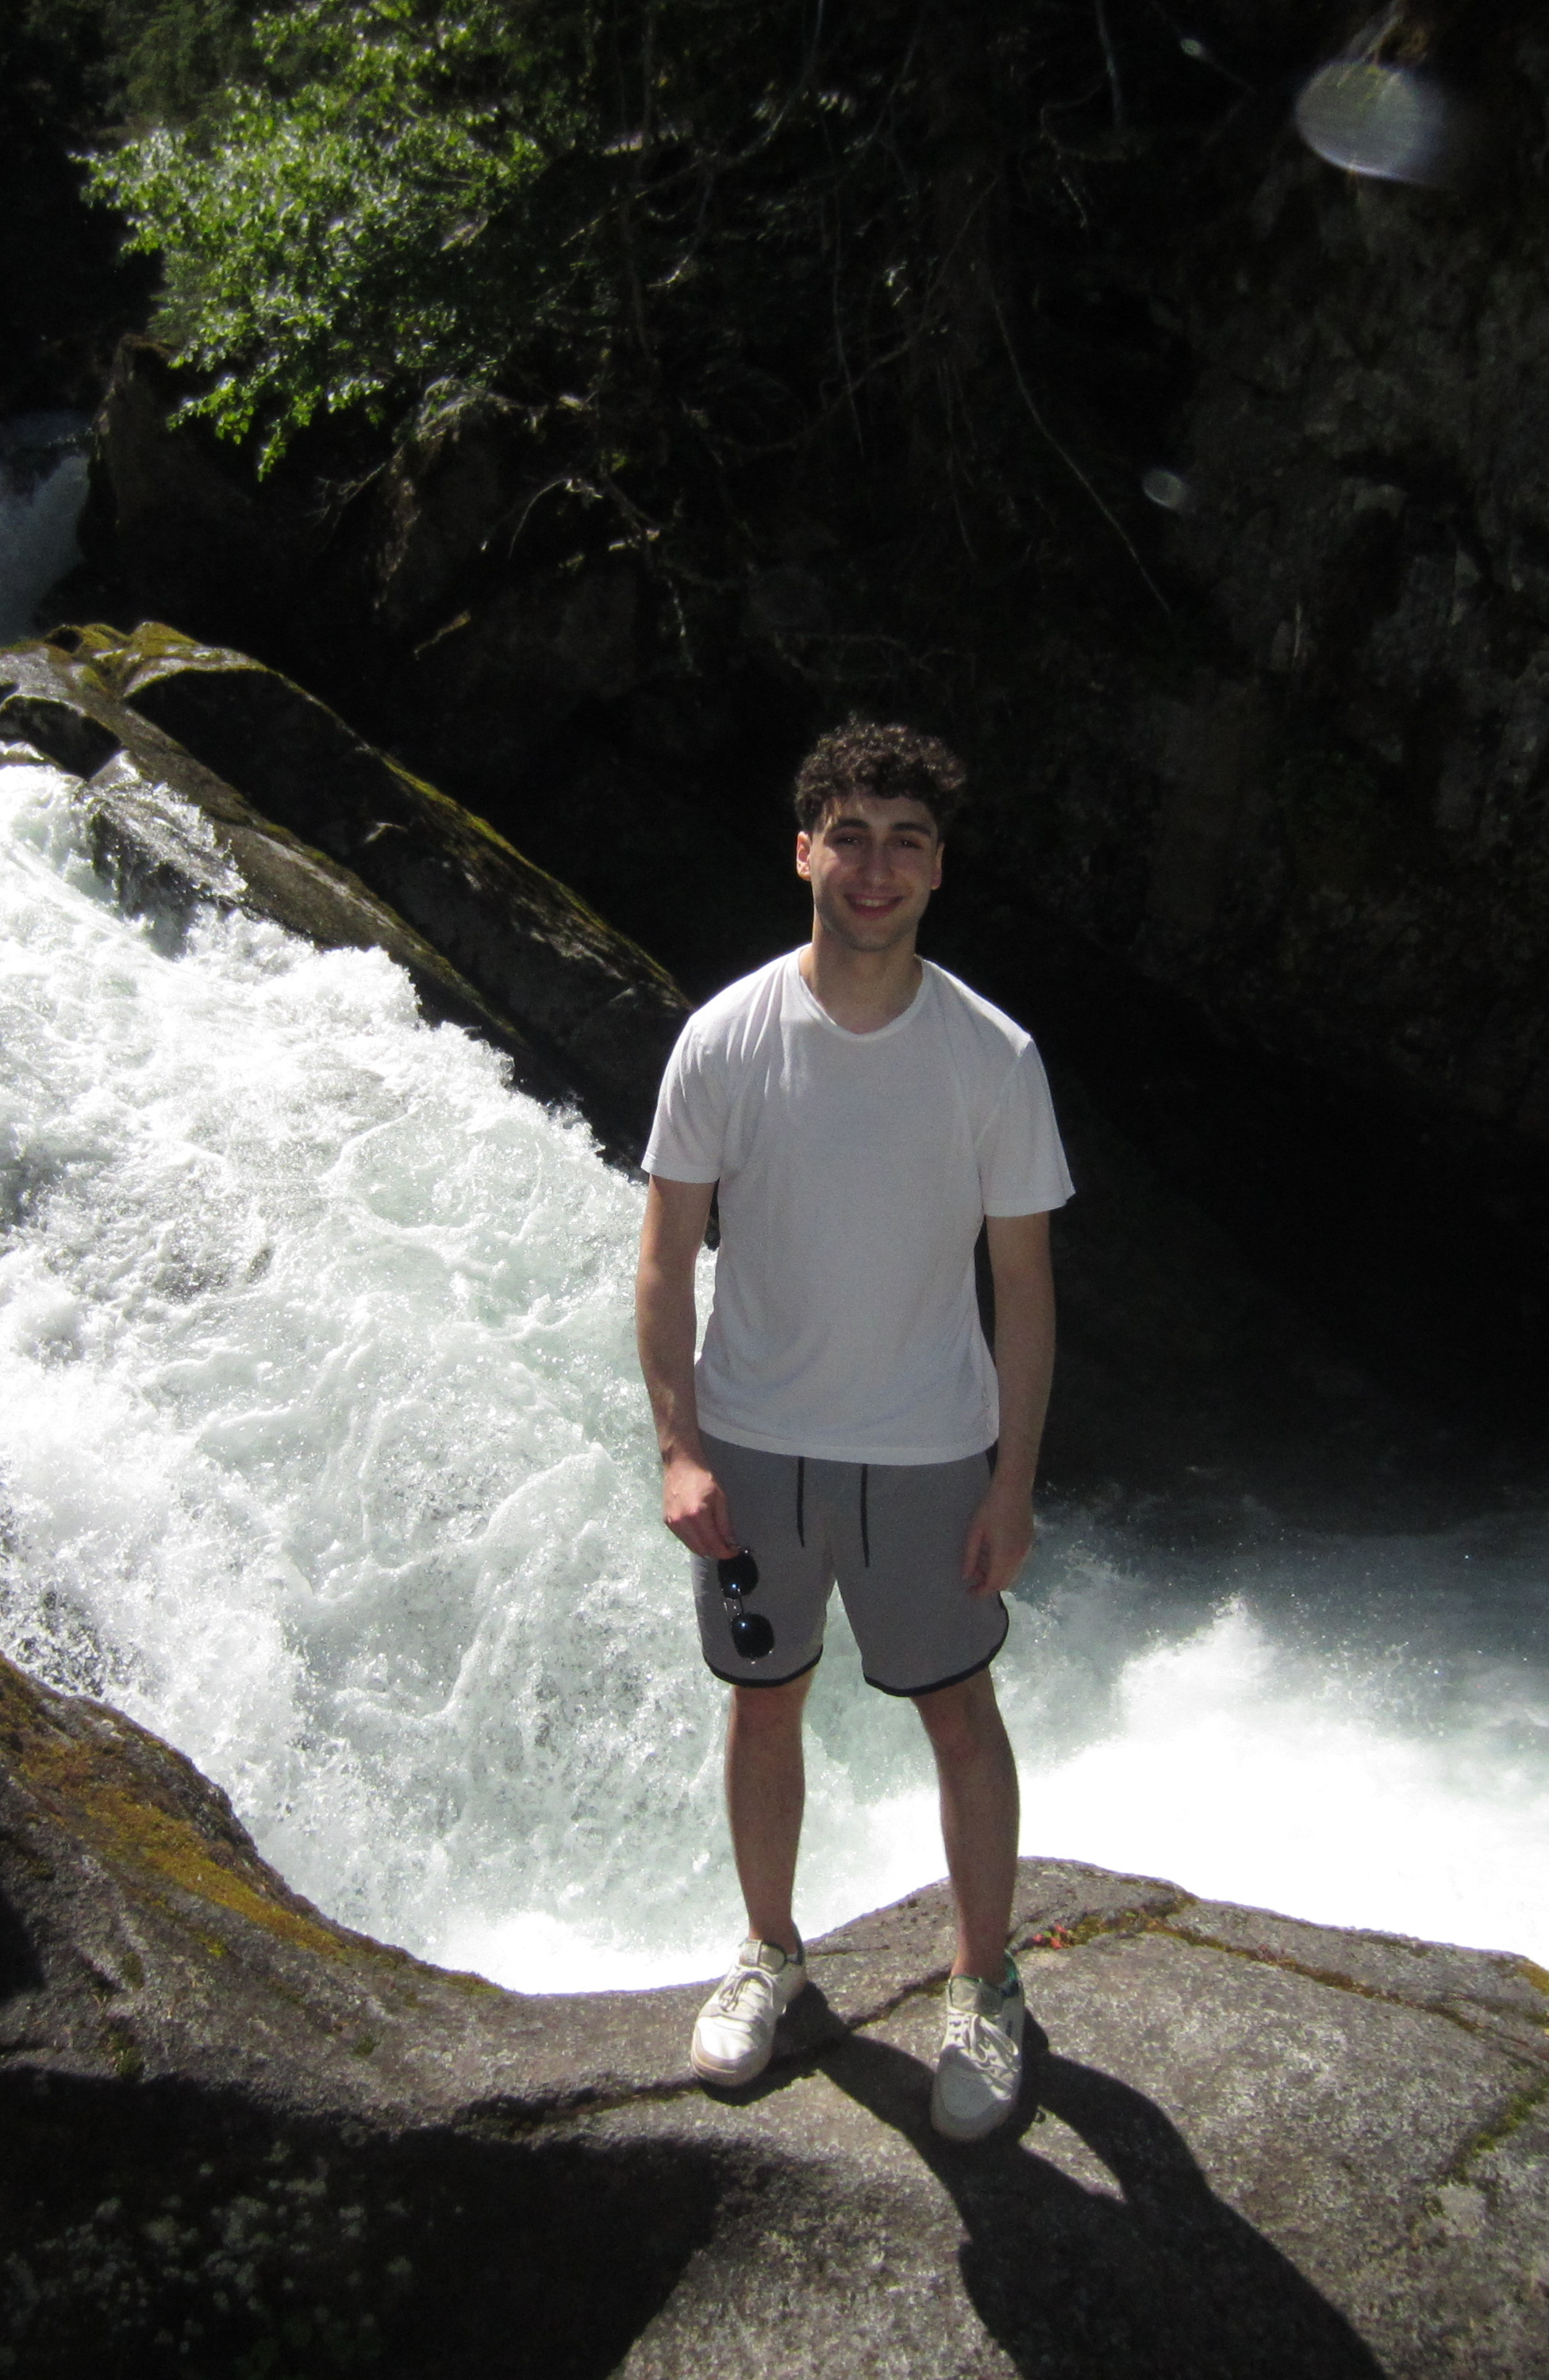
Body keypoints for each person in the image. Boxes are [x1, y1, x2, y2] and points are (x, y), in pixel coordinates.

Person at [633, 719, 1071, 2142]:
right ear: (805, 847)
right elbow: (662, 1259)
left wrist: (1013, 1481)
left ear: (939, 870)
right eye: (853, 835)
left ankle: (984, 1984)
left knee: (959, 1714)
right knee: (767, 1705)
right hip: (757, 1447)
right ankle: (770, 1954)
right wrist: (680, 1448)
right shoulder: (727, 1037)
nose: (876, 867)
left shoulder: (992, 1058)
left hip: (930, 1452)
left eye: (907, 842)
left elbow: (1021, 1286)